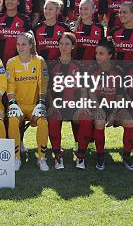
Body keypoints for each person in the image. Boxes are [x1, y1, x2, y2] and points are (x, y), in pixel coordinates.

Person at [88, 38, 133, 171]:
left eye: (101, 53)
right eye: (96, 53)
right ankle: (100, 156)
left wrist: (114, 114)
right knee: (99, 121)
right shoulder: (92, 70)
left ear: (110, 55)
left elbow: (120, 96)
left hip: (115, 106)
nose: (97, 56)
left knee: (129, 121)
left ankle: (127, 156)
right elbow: (91, 94)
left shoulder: (119, 71)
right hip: (98, 105)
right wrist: (98, 109)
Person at [6, 33, 49, 171]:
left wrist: (41, 103)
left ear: (31, 45)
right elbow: (10, 85)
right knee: (12, 121)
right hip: (17, 106)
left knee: (43, 122)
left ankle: (42, 158)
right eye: (18, 44)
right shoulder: (11, 62)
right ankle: (16, 157)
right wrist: (12, 103)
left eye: (24, 44)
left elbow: (43, 83)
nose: (20, 47)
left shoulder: (39, 61)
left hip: (34, 106)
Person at [47, 33, 86, 170]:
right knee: (53, 117)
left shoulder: (79, 66)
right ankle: (58, 155)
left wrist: (81, 107)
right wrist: (52, 105)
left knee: (86, 117)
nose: (63, 47)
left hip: (75, 105)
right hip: (57, 105)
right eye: (61, 43)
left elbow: (83, 89)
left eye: (67, 44)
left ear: (73, 46)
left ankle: (81, 156)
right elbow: (48, 90)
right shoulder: (52, 65)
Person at [0, 0, 31, 64]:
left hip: (18, 61)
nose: (9, 1)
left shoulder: (24, 19)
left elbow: (28, 41)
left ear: (18, 2)